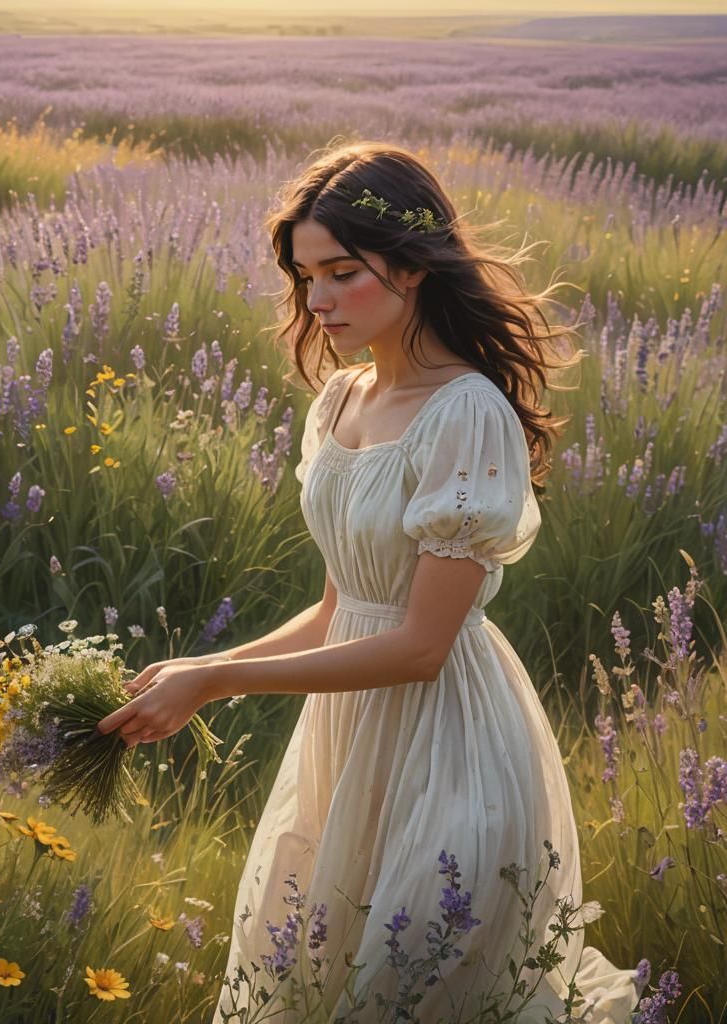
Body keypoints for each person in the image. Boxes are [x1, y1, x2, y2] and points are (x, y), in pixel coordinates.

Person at [97, 140, 639, 1022]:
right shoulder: (341, 398)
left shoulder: (467, 414)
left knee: (411, 982)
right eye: (306, 276)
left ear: (415, 266)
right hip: (344, 740)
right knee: (315, 969)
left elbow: (422, 646)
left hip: (445, 745)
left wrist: (221, 681)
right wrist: (199, 668)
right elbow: (342, 607)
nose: (318, 301)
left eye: (343, 272)